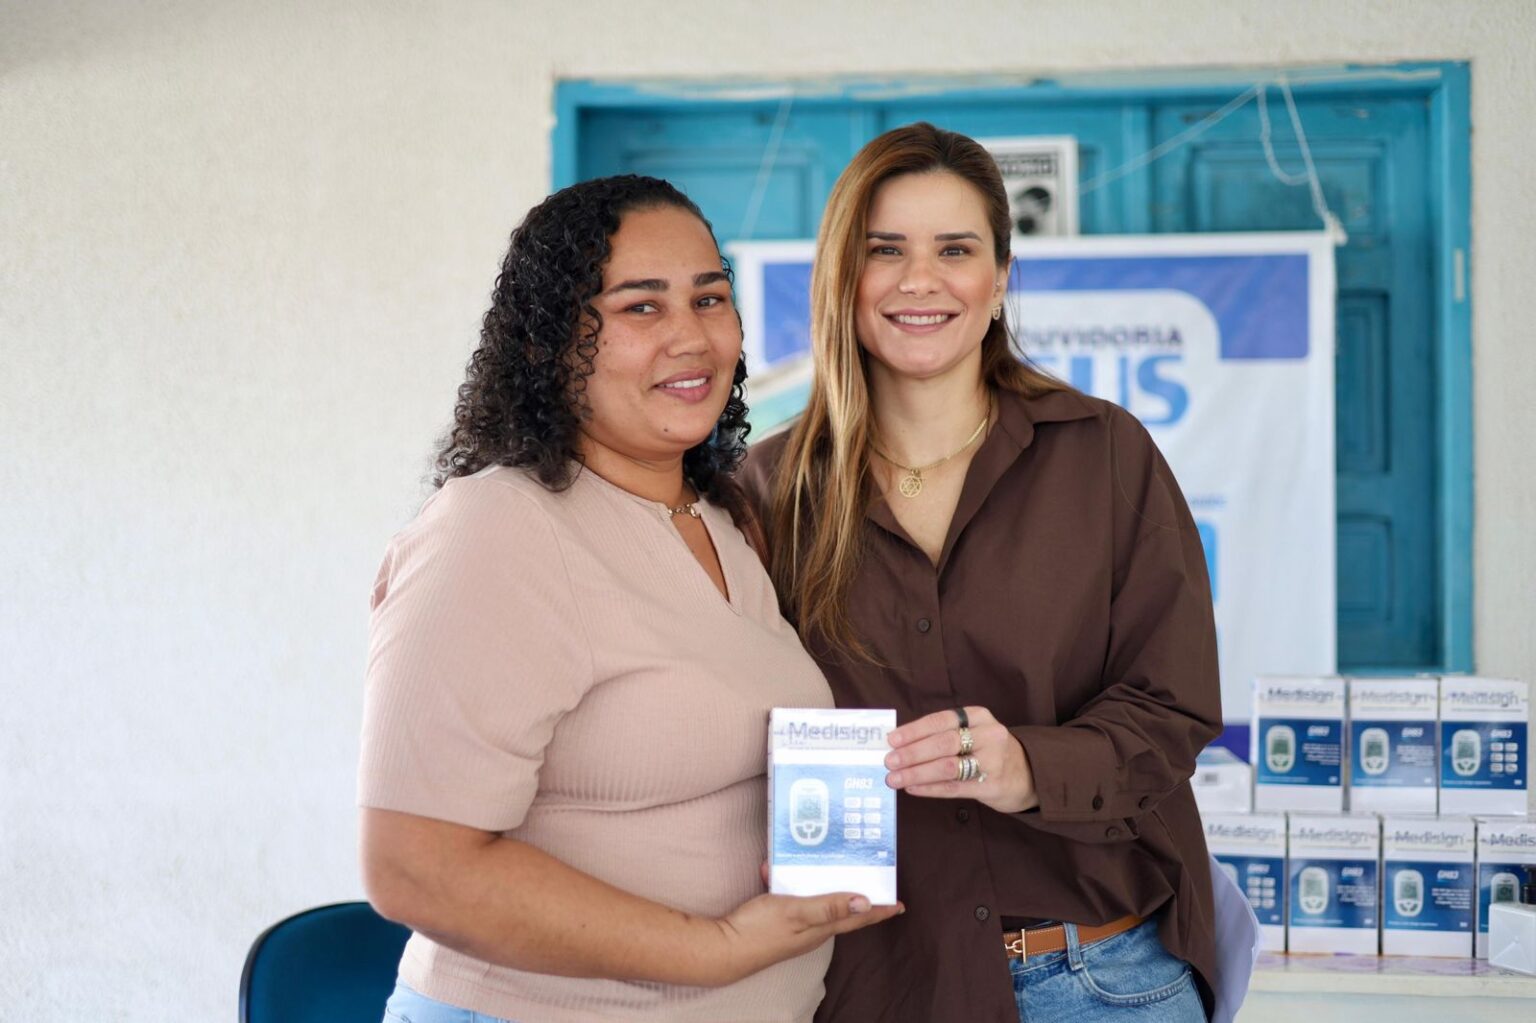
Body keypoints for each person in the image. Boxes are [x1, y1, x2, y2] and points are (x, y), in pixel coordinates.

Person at [357, 174, 901, 1023]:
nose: (691, 336)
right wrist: (715, 948)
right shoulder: (497, 528)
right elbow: (415, 865)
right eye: (641, 307)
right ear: (551, 341)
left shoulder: (725, 519)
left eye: (709, 298)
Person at [741, 124, 1222, 1022]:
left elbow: (1174, 707)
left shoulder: (1106, 455)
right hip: (878, 987)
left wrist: (1027, 765)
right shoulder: (765, 494)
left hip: (1102, 978)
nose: (920, 280)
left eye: (954, 250)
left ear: (1000, 278)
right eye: (885, 250)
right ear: (843, 278)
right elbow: (723, 721)